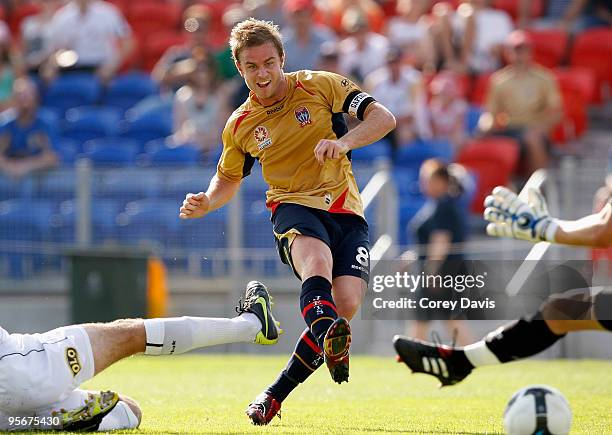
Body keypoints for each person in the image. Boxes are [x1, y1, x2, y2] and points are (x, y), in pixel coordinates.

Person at [178, 18, 396, 425]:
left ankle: (276, 391)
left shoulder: (320, 85)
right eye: (252, 66)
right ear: (239, 69)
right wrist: (207, 201)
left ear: (282, 59)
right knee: (317, 266)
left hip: (346, 207)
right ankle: (326, 336)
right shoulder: (240, 125)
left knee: (346, 303)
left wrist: (343, 141)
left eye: (269, 63)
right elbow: (227, 178)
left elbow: (383, 118)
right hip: (292, 206)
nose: (262, 73)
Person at [393, 184, 612, 386]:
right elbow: (604, 222)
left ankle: (459, 361)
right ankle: (460, 361)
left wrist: (546, 228)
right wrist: (547, 227)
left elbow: (603, 231)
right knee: (563, 310)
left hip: (445, 275)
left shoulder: (443, 206)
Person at [0, 281, 281, 432]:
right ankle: (252, 325)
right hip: (20, 367)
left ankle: (43, 420)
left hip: (8, 404)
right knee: (129, 333)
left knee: (128, 410)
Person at [406, 159, 472, 345]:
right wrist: (410, 259)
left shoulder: (443, 205)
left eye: (427, 179)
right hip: (445, 271)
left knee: (424, 320)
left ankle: (413, 359)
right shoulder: (442, 204)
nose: (423, 184)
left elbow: (440, 241)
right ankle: (475, 357)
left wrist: (431, 272)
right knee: (451, 320)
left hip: (440, 272)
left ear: (442, 181)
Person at [477, 30, 561, 175]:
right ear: (507, 53)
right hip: (511, 128)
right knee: (479, 140)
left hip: (535, 128)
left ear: (530, 52)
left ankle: (538, 187)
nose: (519, 55)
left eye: (522, 50)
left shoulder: (544, 78)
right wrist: (484, 128)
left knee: (533, 139)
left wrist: (542, 127)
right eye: (514, 50)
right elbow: (491, 113)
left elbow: (556, 112)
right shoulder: (499, 81)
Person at [42, 0, 134, 84]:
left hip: (101, 67)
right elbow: (55, 48)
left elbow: (128, 42)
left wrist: (112, 66)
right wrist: (52, 66)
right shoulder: (62, 16)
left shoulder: (108, 12)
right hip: (71, 68)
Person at [364, 47, 431, 153]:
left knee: (405, 133)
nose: (393, 66)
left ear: (402, 62)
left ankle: (403, 163)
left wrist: (390, 121)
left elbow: (412, 115)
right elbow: (369, 110)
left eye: (396, 62)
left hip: (404, 124)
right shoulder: (374, 81)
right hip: (381, 123)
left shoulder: (414, 81)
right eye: (390, 63)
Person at [0, 77, 58, 179]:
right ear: (13, 99)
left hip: (40, 181)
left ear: (36, 98)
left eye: (27, 96)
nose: (24, 101)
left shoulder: (46, 123)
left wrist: (25, 166)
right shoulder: (5, 123)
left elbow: (52, 157)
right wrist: (10, 167)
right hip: (10, 182)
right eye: (20, 96)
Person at [171, 55, 228, 156]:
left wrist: (208, 141)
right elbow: (178, 129)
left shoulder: (221, 94)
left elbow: (223, 128)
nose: (202, 74)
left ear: (212, 71)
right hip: (188, 143)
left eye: (206, 69)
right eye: (198, 69)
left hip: (215, 145)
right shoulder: (182, 95)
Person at [281, 0, 337, 73]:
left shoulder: (326, 38)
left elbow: (335, 70)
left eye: (304, 14)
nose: (300, 19)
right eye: (297, 15)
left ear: (312, 15)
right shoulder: (282, 41)